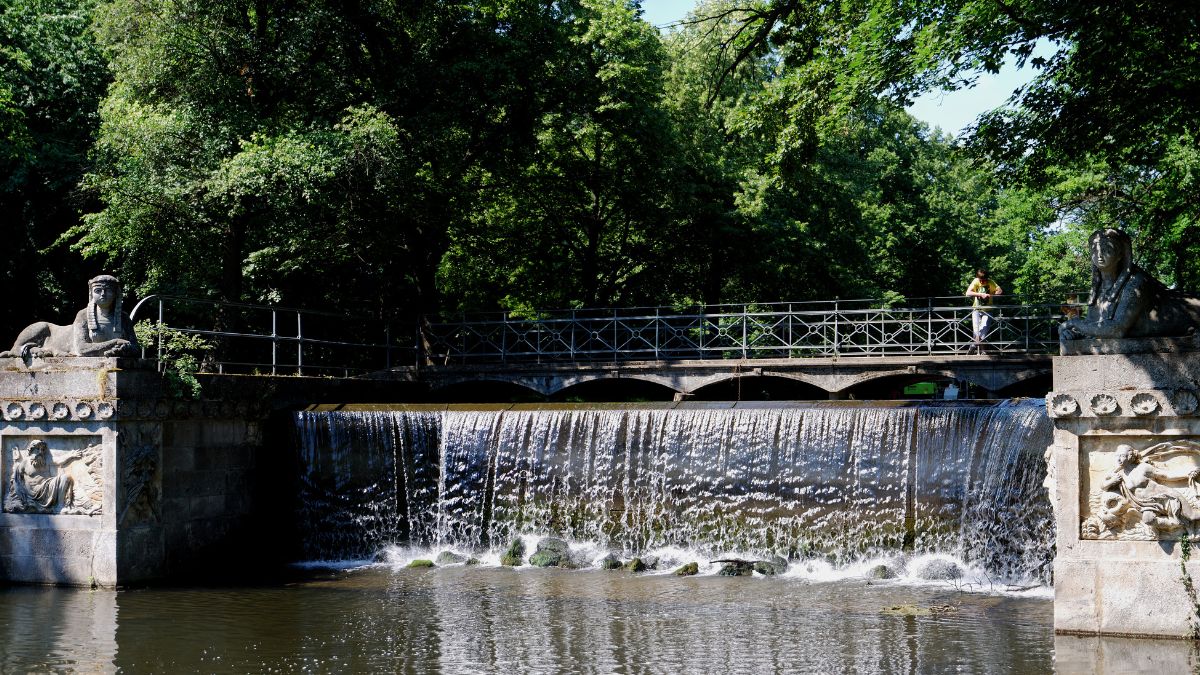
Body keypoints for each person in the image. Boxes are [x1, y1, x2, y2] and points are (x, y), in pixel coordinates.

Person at [1059, 228, 1200, 344]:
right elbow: (1093, 324)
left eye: (1107, 249)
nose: (1099, 254)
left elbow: (1117, 329)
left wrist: (1075, 324)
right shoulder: (1099, 287)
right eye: (1094, 250)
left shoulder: (1136, 282)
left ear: (1120, 254)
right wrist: (1070, 332)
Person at [965, 269, 1002, 354]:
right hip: (976, 310)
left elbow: (1000, 291)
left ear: (987, 278)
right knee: (976, 331)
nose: (982, 282)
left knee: (984, 330)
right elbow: (968, 293)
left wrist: (991, 295)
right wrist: (980, 294)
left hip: (988, 310)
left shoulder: (990, 282)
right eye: (980, 280)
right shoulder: (975, 281)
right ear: (978, 278)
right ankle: (983, 351)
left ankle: (974, 345)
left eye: (983, 280)